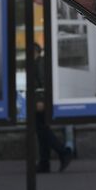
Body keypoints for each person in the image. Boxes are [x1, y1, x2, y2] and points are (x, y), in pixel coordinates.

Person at [30, 42, 71, 172]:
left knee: (43, 130)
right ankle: (44, 163)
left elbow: (43, 82)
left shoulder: (39, 63)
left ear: (34, 51)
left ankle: (64, 152)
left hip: (40, 101)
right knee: (41, 131)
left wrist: (41, 100)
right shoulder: (36, 62)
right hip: (37, 100)